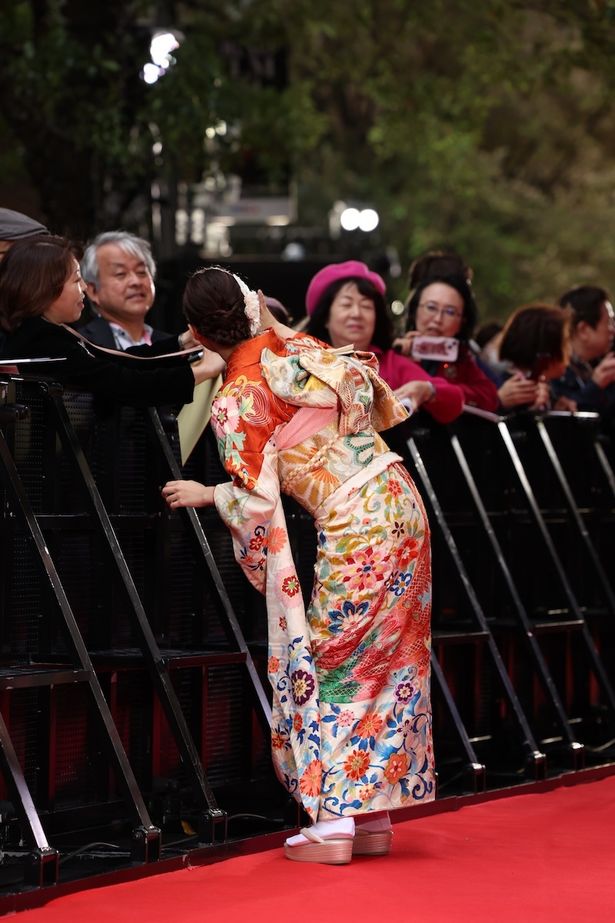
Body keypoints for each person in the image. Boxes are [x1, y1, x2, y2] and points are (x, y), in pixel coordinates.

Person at [163, 267, 435, 864]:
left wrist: (208, 493)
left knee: (336, 659)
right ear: (254, 306)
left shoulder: (237, 397)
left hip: (354, 519)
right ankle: (375, 814)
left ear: (197, 333)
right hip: (400, 498)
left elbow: (257, 502)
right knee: (389, 654)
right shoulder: (303, 350)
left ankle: (336, 822)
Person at [0, 237, 224, 404]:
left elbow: (118, 360)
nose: (85, 288)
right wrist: (203, 371)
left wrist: (182, 342)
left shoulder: (44, 333)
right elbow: (123, 382)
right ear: (45, 289)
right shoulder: (43, 342)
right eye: (77, 279)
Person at [305, 260, 465, 423]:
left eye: (366, 306)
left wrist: (427, 390)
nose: (356, 313)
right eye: (346, 305)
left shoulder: (393, 364)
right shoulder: (304, 364)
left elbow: (455, 400)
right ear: (325, 318)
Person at [393, 273, 499, 412]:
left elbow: (490, 397)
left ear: (461, 322)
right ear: (414, 310)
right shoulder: (393, 351)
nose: (438, 319)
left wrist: (439, 392)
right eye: (431, 307)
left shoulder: (461, 358)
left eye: (450, 312)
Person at [79, 230, 190, 350]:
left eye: (141, 272)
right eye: (120, 274)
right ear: (93, 291)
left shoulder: (176, 346)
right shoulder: (82, 346)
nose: (136, 282)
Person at [550, 286, 615, 415]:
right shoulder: (553, 370)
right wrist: (595, 386)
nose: (613, 330)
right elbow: (565, 418)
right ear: (584, 330)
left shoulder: (599, 363)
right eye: (609, 322)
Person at [495, 304, 571, 413]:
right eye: (565, 343)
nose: (570, 350)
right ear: (547, 350)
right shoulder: (515, 391)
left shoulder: (548, 387)